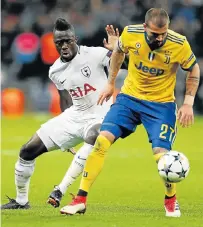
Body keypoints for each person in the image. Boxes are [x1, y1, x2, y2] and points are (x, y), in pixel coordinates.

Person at [60, 8, 200, 217]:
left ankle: (170, 199)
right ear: (145, 28)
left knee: (161, 156)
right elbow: (118, 52)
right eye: (154, 34)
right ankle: (80, 199)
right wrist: (110, 84)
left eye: (163, 33)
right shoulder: (130, 33)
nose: (160, 38)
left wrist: (188, 103)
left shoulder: (179, 43)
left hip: (160, 105)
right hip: (129, 99)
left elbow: (194, 69)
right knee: (101, 141)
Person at [1, 18, 120, 210]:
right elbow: (65, 99)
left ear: (75, 39)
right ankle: (21, 201)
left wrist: (117, 49)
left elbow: (125, 62)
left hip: (100, 115)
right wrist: (66, 135)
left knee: (94, 136)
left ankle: (60, 190)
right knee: (27, 151)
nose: (64, 46)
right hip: (74, 116)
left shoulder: (95, 54)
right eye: (59, 43)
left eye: (67, 41)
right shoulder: (55, 70)